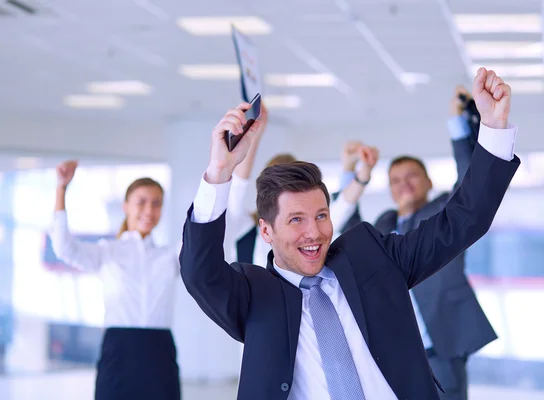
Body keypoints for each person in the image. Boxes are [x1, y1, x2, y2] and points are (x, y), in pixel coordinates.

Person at [180, 68, 520, 399]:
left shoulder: (372, 256)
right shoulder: (254, 295)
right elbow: (200, 270)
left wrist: (492, 128)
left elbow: (463, 221)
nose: (314, 232)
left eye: (321, 215)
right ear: (266, 231)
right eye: (296, 220)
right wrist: (220, 171)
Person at [366, 86, 496, 400]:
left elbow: (470, 178)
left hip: (441, 343)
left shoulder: (441, 210)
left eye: (411, 176)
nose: (404, 184)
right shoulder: (382, 223)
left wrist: (457, 122)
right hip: (396, 350)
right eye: (395, 180)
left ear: (428, 182)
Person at [49, 161, 180, 400]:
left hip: (159, 352)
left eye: (156, 203)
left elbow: (206, 239)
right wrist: (61, 190)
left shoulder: (170, 255)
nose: (149, 211)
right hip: (119, 350)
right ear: (125, 206)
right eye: (141, 202)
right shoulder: (107, 251)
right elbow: (63, 247)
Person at [225, 105, 377, 266]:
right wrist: (253, 134)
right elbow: (238, 184)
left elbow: (344, 206)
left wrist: (363, 173)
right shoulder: (245, 227)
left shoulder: (309, 227)